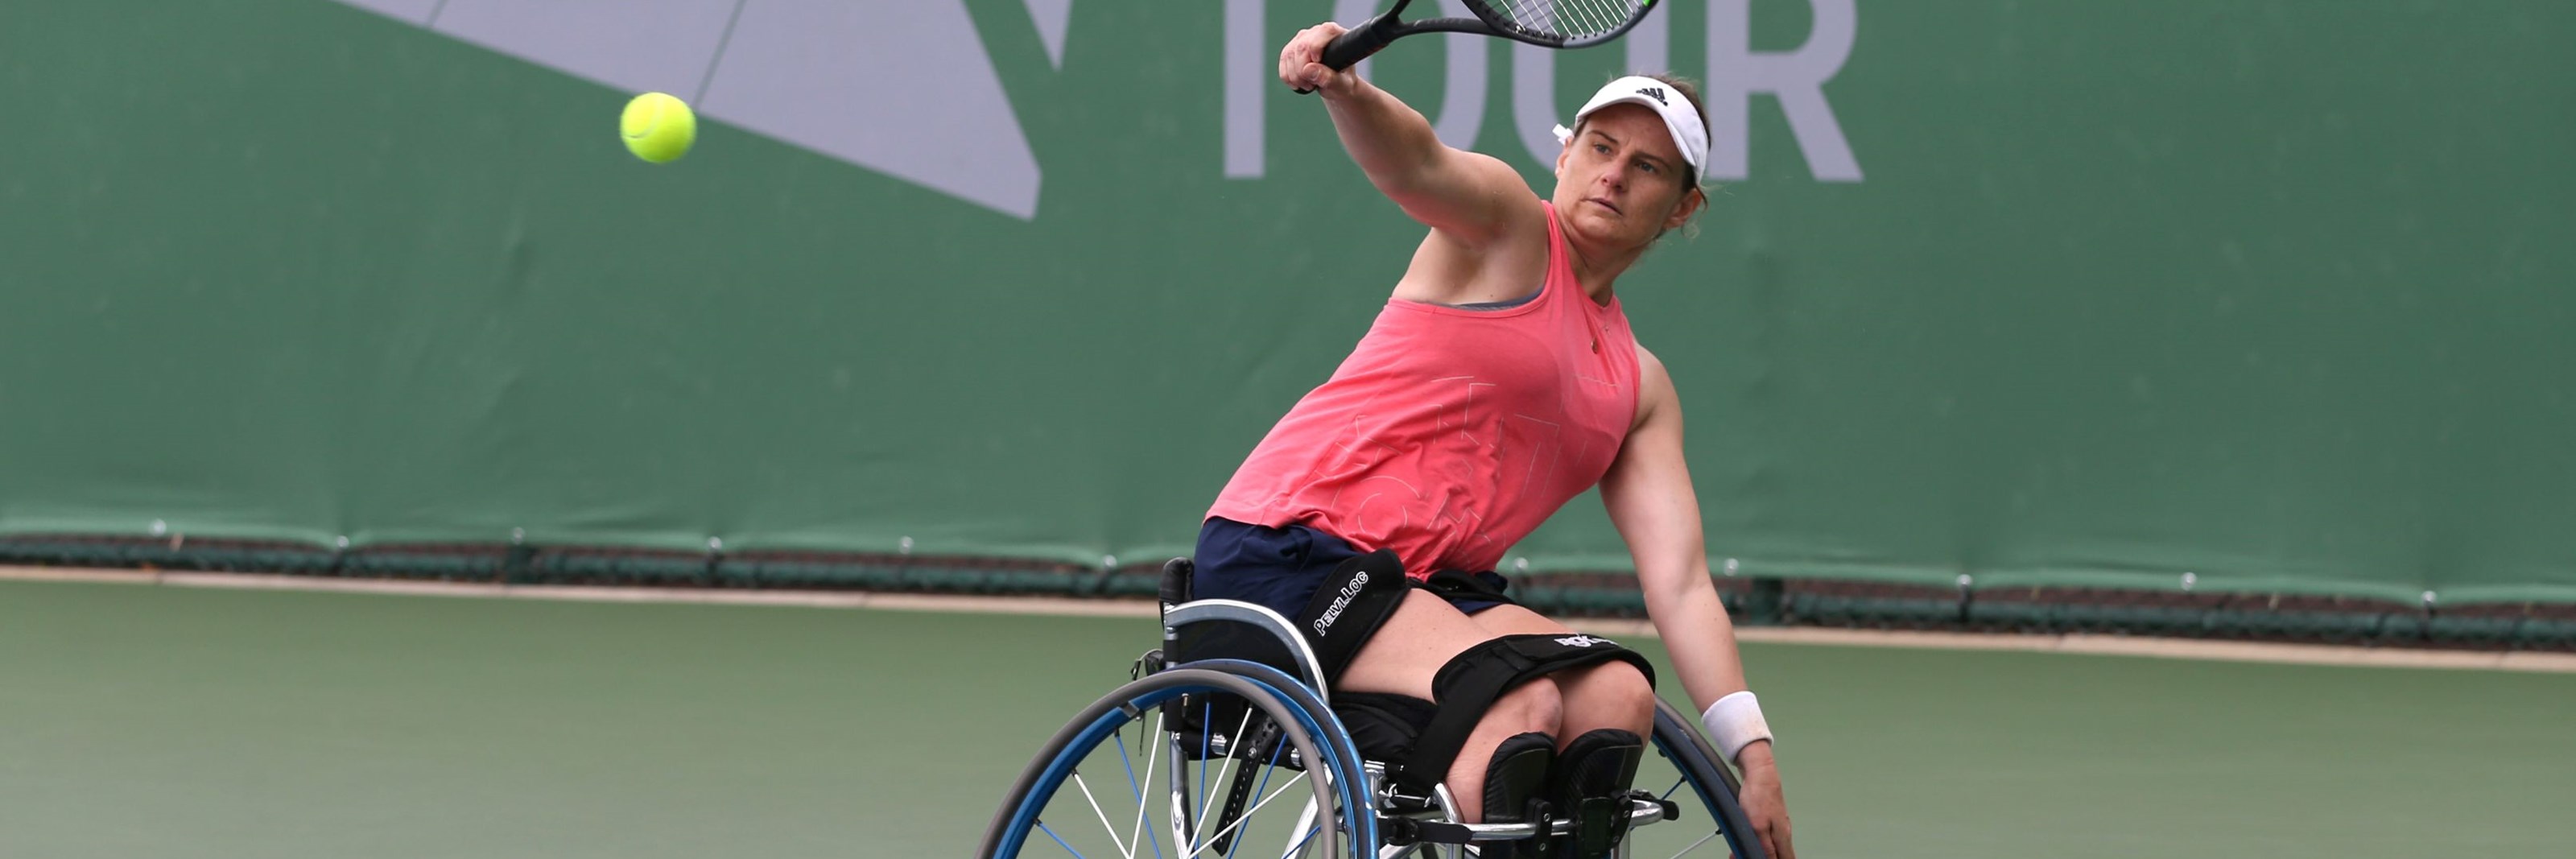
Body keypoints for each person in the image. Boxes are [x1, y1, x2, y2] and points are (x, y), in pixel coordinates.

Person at [1191, 21, 1799, 859]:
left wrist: (1752, 753)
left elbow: (1682, 584)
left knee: (1615, 689)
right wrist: (1348, 90)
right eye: (1599, 146)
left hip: (1423, 590)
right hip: (1290, 554)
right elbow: (1418, 164)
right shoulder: (1506, 230)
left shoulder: (1638, 386)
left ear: (1682, 206)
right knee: (1518, 702)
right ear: (1564, 155)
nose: (1613, 174)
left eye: (1647, 166)